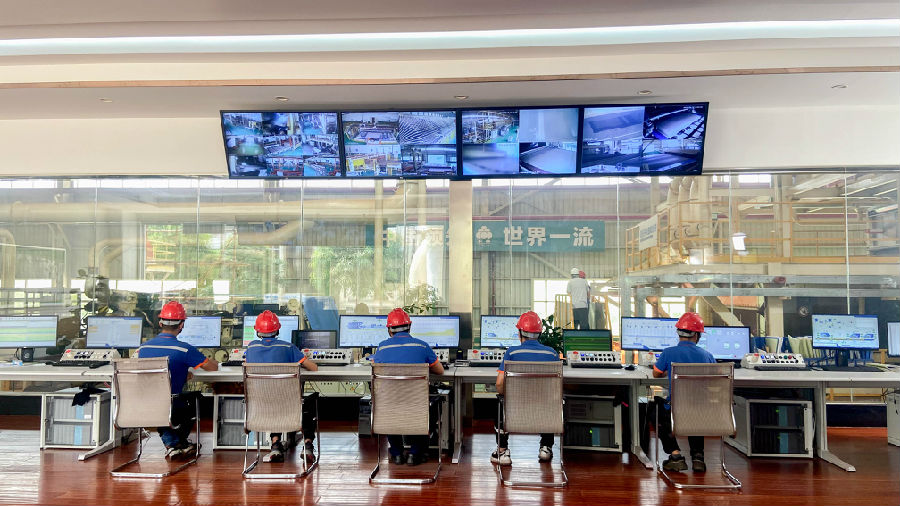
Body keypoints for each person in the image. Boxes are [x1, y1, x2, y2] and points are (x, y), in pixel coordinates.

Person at [137, 301, 218, 459]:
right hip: (172, 404)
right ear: (182, 325)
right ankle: (175, 443)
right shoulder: (184, 349)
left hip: (147, 402)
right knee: (197, 400)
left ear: (160, 323)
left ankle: (175, 444)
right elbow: (212, 368)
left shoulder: (143, 348)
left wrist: (181, 373)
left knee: (163, 404)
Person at [371, 308, 444, 466]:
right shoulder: (422, 346)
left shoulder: (382, 348)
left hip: (390, 402)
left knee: (389, 407)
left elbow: (375, 367)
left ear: (389, 330)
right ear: (409, 327)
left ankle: (397, 453)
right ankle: (414, 453)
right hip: (416, 403)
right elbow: (440, 371)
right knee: (430, 404)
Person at [244, 310, 319, 463]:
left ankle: (276, 445)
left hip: (260, 406)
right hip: (288, 405)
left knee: (273, 398)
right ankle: (307, 445)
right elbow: (313, 368)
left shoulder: (251, 348)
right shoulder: (288, 347)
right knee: (309, 401)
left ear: (257, 331)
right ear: (277, 330)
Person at [491, 311, 560, 466]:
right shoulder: (552, 353)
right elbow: (557, 387)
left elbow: (499, 384)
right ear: (540, 333)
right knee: (550, 400)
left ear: (519, 333)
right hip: (544, 410)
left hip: (516, 411)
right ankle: (546, 447)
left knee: (500, 402)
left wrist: (506, 395)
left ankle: (502, 450)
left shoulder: (512, 352)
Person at [651, 312, 716, 472]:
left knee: (654, 409)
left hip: (676, 409)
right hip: (702, 410)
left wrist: (668, 371)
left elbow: (656, 374)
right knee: (694, 410)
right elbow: (714, 379)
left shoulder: (668, 353)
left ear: (678, 333)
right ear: (697, 335)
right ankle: (698, 457)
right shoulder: (707, 356)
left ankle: (675, 456)